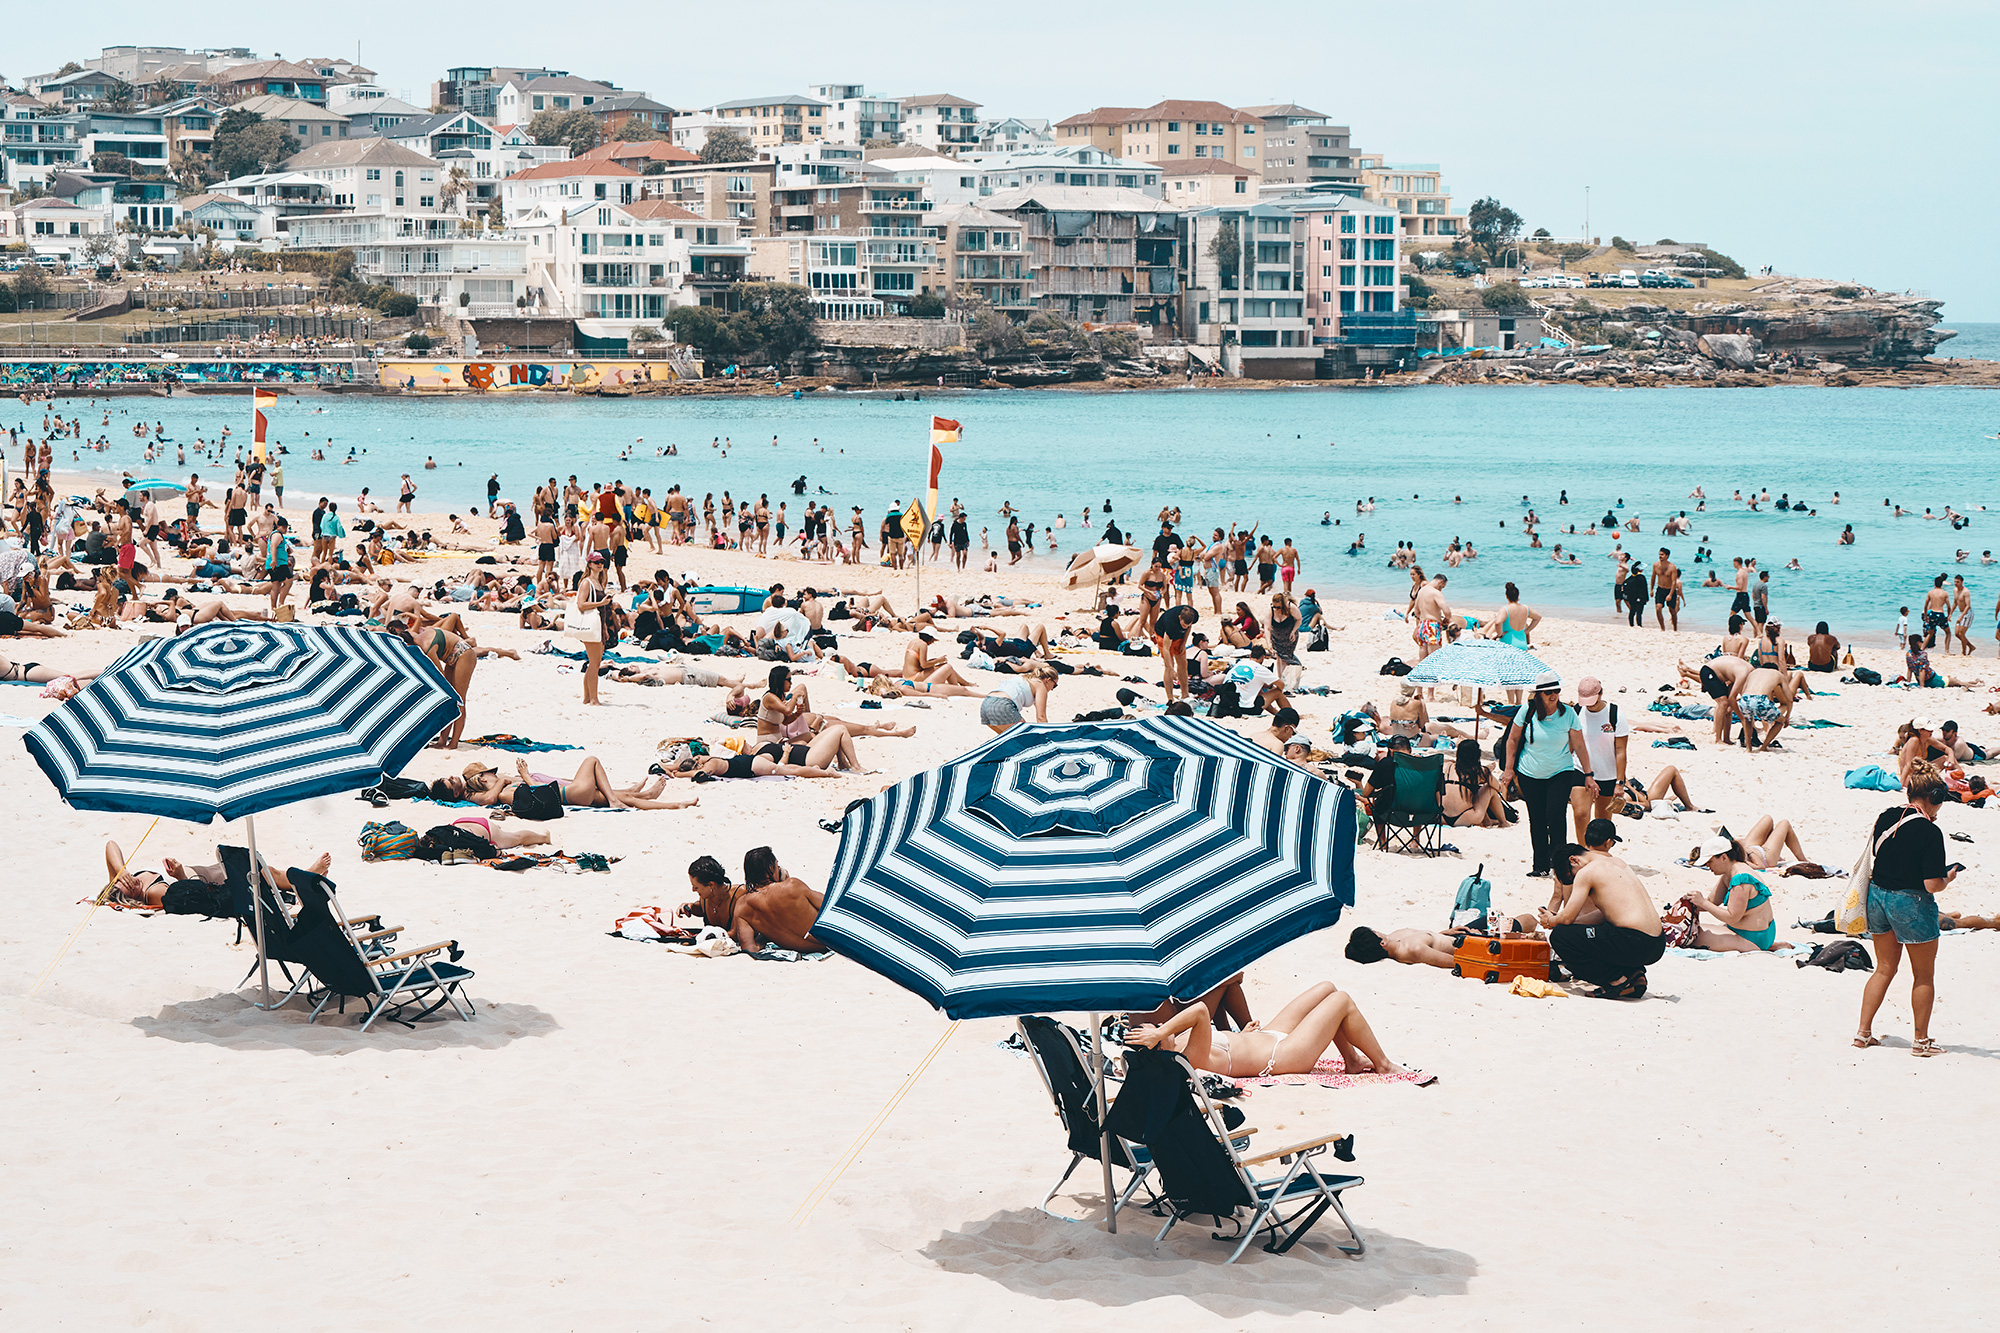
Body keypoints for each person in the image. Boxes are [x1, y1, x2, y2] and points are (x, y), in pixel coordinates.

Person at [1123, 981, 1428, 1082]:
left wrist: (1245, 1031)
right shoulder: (1188, 1059)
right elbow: (1201, 1013)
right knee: (1341, 1001)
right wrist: (1160, 1030)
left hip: (1266, 1035)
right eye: (1154, 1031)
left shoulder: (1182, 1043)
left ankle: (1351, 1060)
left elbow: (1209, 1018)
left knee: (1326, 988)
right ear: (1157, 1046)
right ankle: (1383, 1064)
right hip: (1282, 1056)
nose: (1155, 1027)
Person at [1855, 761, 1956, 1056]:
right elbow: (1931, 885)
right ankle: (1921, 1042)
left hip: (1876, 898)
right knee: (1923, 975)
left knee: (1884, 969)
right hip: (1909, 903)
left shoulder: (1887, 816)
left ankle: (1862, 1034)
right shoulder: (1929, 832)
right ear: (1933, 798)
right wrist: (1947, 878)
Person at [1540, 827, 1664, 999]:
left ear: (1574, 860)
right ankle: (1635, 976)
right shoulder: (1618, 863)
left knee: (1560, 937)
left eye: (1570, 877)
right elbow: (1603, 915)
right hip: (1656, 943)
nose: (1574, 881)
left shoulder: (1587, 871)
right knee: (1596, 932)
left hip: (1634, 940)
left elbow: (1567, 918)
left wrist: (1552, 920)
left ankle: (1616, 982)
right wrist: (1568, 924)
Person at [1498, 672, 1598, 876]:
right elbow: (1512, 740)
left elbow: (1579, 745)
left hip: (1560, 772)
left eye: (1556, 690)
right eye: (1548, 692)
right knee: (1537, 819)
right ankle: (1540, 866)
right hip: (1529, 773)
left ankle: (1560, 865)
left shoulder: (1568, 713)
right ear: (1539, 694)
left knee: (1556, 815)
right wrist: (1508, 770)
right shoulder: (1527, 711)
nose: (1553, 695)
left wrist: (1588, 774)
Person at [687, 849, 825, 953]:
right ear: (770, 869)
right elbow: (829, 905)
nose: (779, 869)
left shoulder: (742, 906)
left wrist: (763, 940)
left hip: (802, 949)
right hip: (830, 943)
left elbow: (749, 948)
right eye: (777, 866)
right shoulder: (792, 885)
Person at [443, 756, 695, 811]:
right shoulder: (499, 790)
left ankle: (676, 805)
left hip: (573, 795)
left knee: (628, 800)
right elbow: (535, 792)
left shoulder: (501, 788)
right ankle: (619, 797)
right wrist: (525, 776)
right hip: (569, 793)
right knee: (593, 760)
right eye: (488, 775)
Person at [1682, 835, 1785, 952]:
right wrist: (1686, 904)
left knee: (1689, 935)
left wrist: (1702, 902)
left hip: (1752, 937)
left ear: (1724, 857)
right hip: (1758, 932)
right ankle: (1773, 945)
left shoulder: (1740, 879)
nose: (1707, 866)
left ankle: (1759, 946)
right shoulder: (1732, 872)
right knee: (1692, 929)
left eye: (1710, 861)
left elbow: (1732, 917)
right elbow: (1712, 901)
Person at [572, 553, 612, 705]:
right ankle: (594, 699)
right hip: (590, 626)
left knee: (592, 664)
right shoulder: (586, 583)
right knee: (595, 664)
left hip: (598, 625)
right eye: (596, 562)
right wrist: (601, 603)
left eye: (601, 562)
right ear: (589, 564)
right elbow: (581, 604)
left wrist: (605, 629)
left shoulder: (599, 581)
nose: (599, 564)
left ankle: (587, 698)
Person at [981, 662, 1056, 732]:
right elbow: (1041, 717)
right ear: (1048, 680)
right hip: (1002, 705)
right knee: (1025, 736)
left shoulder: (1025, 678)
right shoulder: (1040, 685)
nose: (1052, 689)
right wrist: (1048, 736)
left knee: (1011, 741)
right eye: (1054, 685)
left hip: (986, 704)